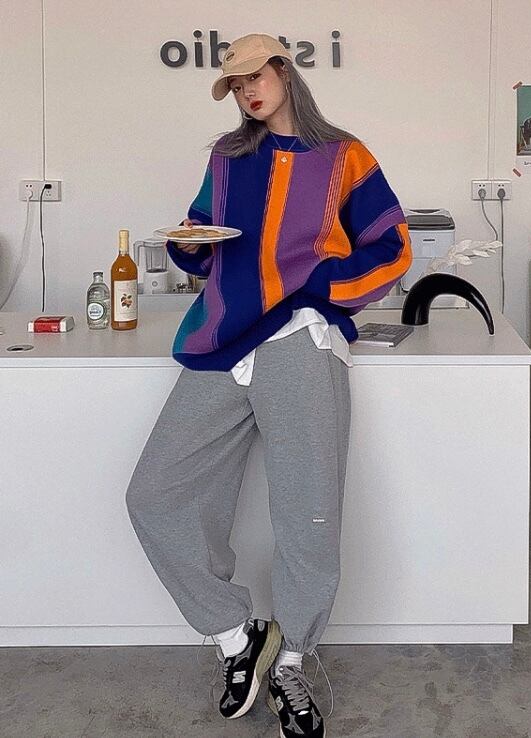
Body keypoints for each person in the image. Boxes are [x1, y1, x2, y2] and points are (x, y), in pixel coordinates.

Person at [125, 33, 412, 738]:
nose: (247, 92)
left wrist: (321, 286)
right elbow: (205, 239)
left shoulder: (344, 155)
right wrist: (188, 245)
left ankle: (291, 664)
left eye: (255, 76)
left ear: (284, 71)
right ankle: (237, 637)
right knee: (155, 493)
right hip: (224, 339)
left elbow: (393, 246)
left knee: (307, 516)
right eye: (235, 85)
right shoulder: (228, 157)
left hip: (298, 343)